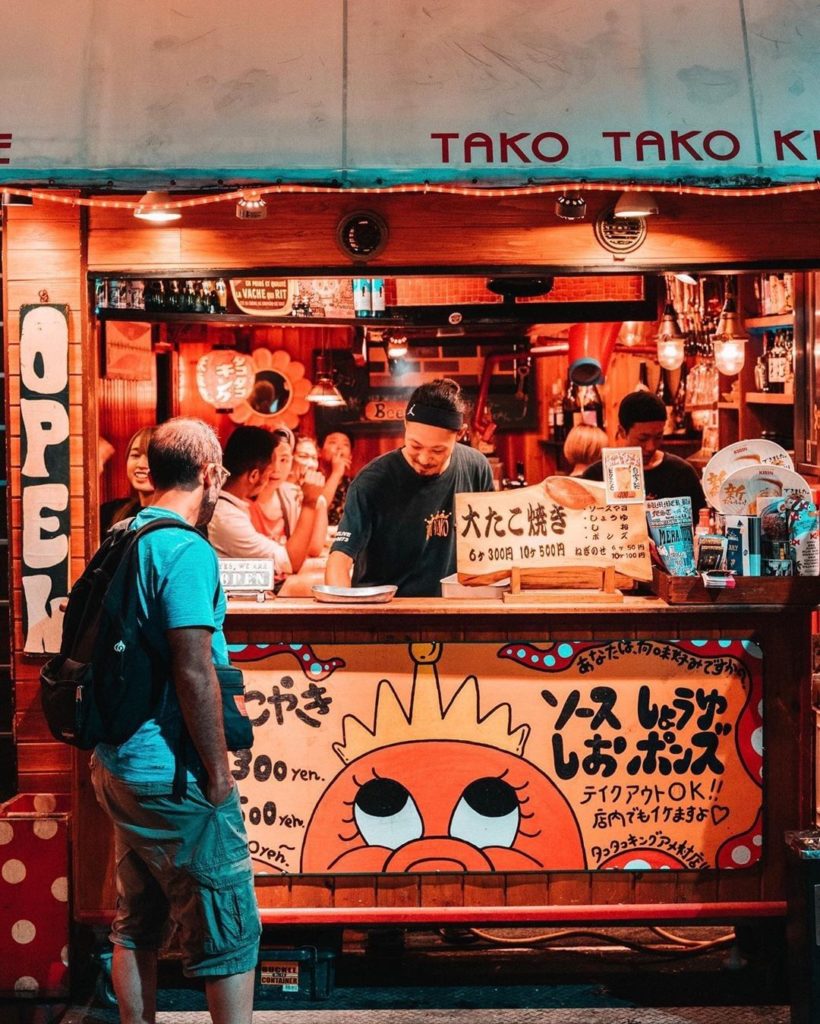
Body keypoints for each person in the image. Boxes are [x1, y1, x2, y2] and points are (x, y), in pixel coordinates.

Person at [90, 417, 260, 1024]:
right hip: (172, 773)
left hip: (119, 764)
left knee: (137, 922)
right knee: (229, 928)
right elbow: (193, 667)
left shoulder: (124, 533)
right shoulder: (185, 550)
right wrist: (217, 773)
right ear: (211, 475)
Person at [325, 378, 494, 597]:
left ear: (460, 434)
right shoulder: (372, 481)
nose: (424, 458)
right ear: (405, 424)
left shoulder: (476, 468)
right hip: (384, 613)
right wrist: (344, 617)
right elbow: (339, 560)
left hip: (452, 609)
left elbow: (490, 547)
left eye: (437, 450)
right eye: (416, 445)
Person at [208, 425, 323, 579]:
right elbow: (290, 562)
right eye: (269, 472)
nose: (274, 474)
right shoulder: (226, 517)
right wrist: (309, 503)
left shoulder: (230, 506)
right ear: (254, 475)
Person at [582, 391, 706, 516]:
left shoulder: (682, 473)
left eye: (658, 437)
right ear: (622, 431)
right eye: (642, 438)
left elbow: (701, 524)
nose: (651, 447)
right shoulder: (596, 475)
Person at [249, 427, 328, 563]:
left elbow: (312, 549)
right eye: (270, 459)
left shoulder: (291, 496)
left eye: (284, 460)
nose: (276, 468)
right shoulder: (241, 501)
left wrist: (316, 501)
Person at [99, 426, 156, 536]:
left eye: (151, 457)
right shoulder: (111, 512)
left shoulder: (178, 517)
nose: (141, 464)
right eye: (135, 455)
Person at [318, 429, 354, 526]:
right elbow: (318, 510)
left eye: (345, 444)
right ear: (319, 451)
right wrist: (336, 473)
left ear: (350, 456)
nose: (339, 448)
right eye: (333, 442)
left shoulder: (356, 486)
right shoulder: (313, 480)